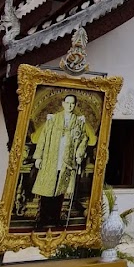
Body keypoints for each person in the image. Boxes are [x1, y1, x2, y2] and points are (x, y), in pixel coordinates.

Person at [32, 93, 90, 227]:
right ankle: (43, 219)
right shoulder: (53, 119)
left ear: (75, 105)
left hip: (66, 161)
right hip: (50, 159)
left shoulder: (78, 121)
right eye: (67, 102)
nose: (69, 106)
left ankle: (55, 218)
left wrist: (79, 154)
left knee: (59, 191)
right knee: (47, 189)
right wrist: (38, 156)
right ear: (63, 103)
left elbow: (83, 140)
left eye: (72, 103)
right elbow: (43, 138)